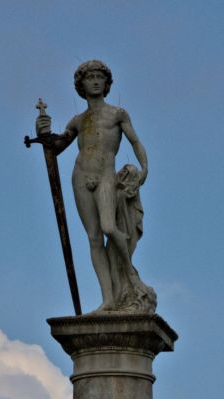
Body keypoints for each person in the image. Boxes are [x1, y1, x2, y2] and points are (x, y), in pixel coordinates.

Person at [35, 60, 156, 314]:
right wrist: (44, 133)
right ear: (81, 85)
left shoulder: (117, 114)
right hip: (81, 175)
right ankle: (108, 298)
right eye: (90, 77)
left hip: (106, 175)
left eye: (100, 77)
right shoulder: (78, 120)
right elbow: (56, 148)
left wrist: (144, 168)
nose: (96, 81)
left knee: (109, 227)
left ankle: (129, 275)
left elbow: (135, 141)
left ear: (107, 83)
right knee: (93, 237)